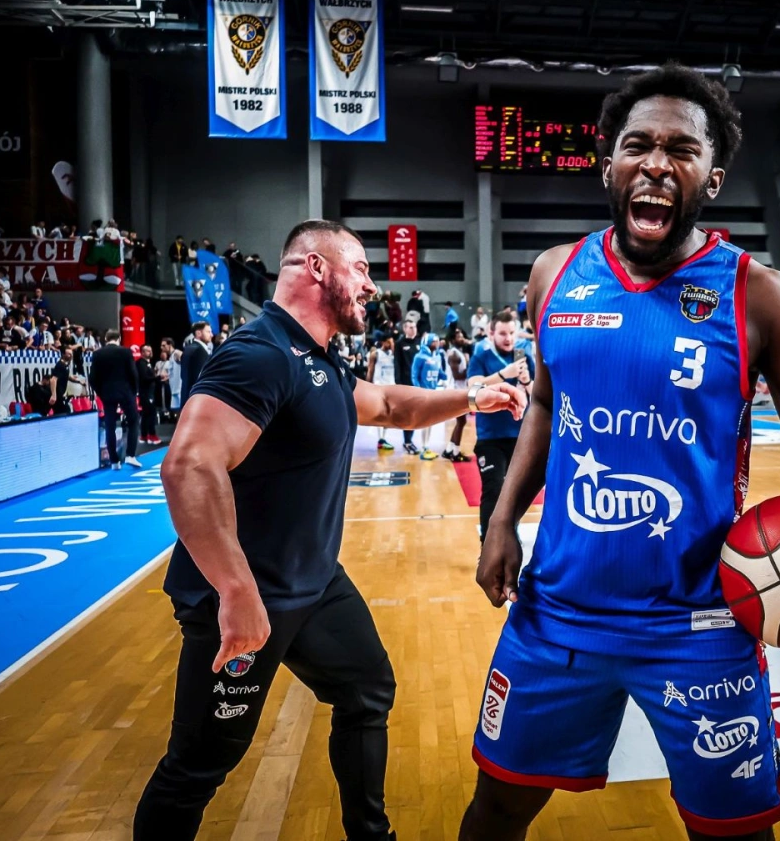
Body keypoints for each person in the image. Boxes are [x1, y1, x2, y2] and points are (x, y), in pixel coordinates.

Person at [461, 64, 780, 841]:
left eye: (681, 150)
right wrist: (503, 518)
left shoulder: (761, 296)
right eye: (637, 145)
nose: (656, 163)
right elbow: (544, 400)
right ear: (608, 163)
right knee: (497, 810)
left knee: (735, 833)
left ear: (711, 178)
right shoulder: (554, 274)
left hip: (701, 625)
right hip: (557, 613)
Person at [133, 219, 524, 841]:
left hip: (313, 585)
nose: (371, 284)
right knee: (198, 767)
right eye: (361, 268)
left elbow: (390, 406)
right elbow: (189, 465)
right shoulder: (260, 354)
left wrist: (471, 399)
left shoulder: (318, 360)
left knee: (368, 690)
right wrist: (236, 590)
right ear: (316, 268)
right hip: (245, 598)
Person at [465, 310, 534, 540]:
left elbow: (538, 395)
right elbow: (473, 388)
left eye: (512, 333)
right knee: (493, 489)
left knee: (515, 493)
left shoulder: (523, 355)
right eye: (503, 333)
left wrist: (526, 380)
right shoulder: (481, 357)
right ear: (491, 333)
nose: (508, 338)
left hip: (520, 437)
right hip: (490, 438)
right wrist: (504, 374)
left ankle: (510, 538)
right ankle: (488, 545)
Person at [90, 328, 142, 469]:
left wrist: (101, 393)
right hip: (125, 392)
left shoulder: (97, 354)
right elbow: (133, 373)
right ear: (119, 339)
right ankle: (130, 455)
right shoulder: (125, 352)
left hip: (107, 394)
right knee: (133, 421)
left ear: (106, 339)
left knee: (110, 426)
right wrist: (134, 392)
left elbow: (92, 378)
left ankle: (114, 461)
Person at [410, 332, 448, 460]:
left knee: (430, 421)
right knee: (425, 421)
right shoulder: (419, 357)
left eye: (437, 341)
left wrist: (446, 376)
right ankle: (424, 448)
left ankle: (426, 446)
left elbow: (440, 373)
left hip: (434, 393)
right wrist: (418, 390)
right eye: (434, 341)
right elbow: (414, 375)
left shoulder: (437, 357)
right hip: (423, 393)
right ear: (428, 342)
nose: (437, 343)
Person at [392, 318, 421, 454]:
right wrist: (398, 382)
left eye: (414, 327)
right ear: (405, 329)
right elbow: (397, 363)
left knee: (417, 413)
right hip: (406, 383)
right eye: (410, 327)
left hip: (419, 384)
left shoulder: (420, 343)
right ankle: (407, 441)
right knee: (408, 413)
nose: (413, 329)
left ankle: (412, 440)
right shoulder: (400, 344)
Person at [443, 326, 472, 462]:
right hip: (455, 390)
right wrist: (471, 367)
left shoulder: (458, 352)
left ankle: (449, 449)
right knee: (461, 421)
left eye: (462, 336)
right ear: (453, 340)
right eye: (459, 337)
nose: (462, 339)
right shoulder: (454, 354)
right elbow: (457, 376)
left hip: (459, 389)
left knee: (461, 421)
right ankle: (455, 453)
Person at [367, 336, 398, 451]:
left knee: (388, 414)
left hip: (391, 386)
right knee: (380, 413)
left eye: (392, 342)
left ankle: (383, 439)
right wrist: (368, 385)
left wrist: (393, 348)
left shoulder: (393, 354)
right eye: (389, 342)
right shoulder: (375, 354)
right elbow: (370, 370)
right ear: (383, 342)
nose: (391, 344)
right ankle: (380, 440)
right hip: (379, 386)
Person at [180, 321, 213, 404]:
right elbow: (202, 378)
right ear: (198, 333)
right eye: (208, 332)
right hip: (198, 399)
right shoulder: (199, 351)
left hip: (186, 396)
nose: (211, 335)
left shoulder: (188, 349)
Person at [138, 344, 161, 444]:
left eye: (151, 350)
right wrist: (158, 377)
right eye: (148, 351)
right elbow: (144, 378)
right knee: (150, 414)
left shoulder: (147, 363)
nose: (150, 352)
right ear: (142, 352)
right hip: (146, 393)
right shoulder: (141, 363)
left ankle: (144, 436)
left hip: (149, 392)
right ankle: (151, 435)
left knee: (147, 414)